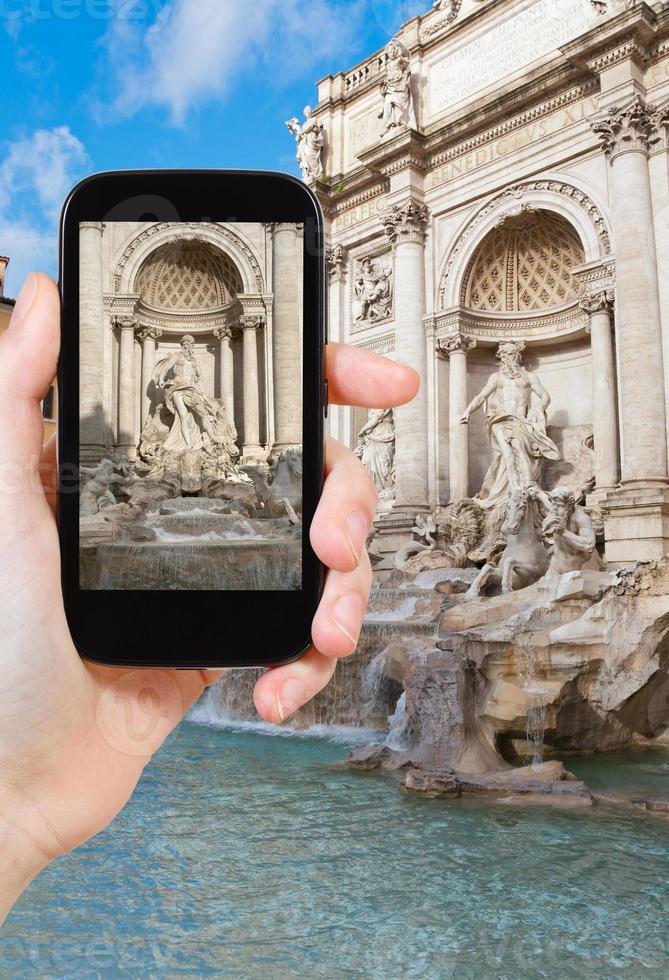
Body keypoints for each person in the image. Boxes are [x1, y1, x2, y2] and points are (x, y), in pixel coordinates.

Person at [0, 273, 419, 920]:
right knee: (197, 429)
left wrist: (17, 803)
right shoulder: (165, 373)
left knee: (218, 432)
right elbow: (162, 385)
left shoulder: (202, 368)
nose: (187, 356)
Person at [460, 340, 560, 509]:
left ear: (518, 355)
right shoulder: (496, 377)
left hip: (520, 421)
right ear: (501, 357)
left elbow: (545, 396)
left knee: (520, 449)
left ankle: (526, 489)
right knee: (507, 453)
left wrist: (538, 407)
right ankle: (515, 492)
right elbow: (481, 396)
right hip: (499, 419)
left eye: (512, 353)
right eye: (505, 354)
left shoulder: (529, 377)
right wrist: (467, 411)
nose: (509, 357)